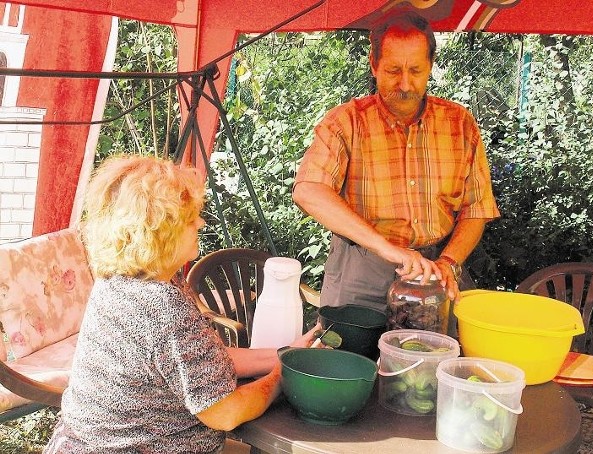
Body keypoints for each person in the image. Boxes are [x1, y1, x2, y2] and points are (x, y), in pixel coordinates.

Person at [44, 155, 317, 454]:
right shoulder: (162, 306)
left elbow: (199, 363)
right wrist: (283, 375)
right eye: (189, 218)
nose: (200, 222)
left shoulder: (118, 282)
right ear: (159, 232)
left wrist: (285, 355)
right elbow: (226, 413)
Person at [292, 10, 500, 309]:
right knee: (349, 353)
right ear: (373, 65)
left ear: (430, 66)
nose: (404, 84)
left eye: (415, 71)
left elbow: (477, 208)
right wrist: (388, 249)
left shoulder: (459, 123)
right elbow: (308, 191)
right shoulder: (346, 122)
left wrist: (448, 261)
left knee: (435, 354)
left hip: (435, 271)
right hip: (362, 267)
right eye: (393, 71)